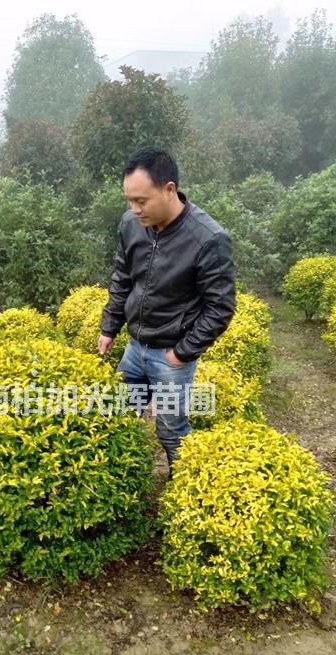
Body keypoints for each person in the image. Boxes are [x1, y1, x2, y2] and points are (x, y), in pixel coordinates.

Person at [97, 146, 236, 475]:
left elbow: (221, 307)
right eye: (129, 200)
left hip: (171, 356)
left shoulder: (208, 239)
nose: (134, 209)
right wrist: (109, 327)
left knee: (172, 431)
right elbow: (122, 277)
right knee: (118, 414)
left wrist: (182, 353)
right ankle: (124, 483)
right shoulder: (131, 224)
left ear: (169, 189)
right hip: (135, 347)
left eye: (141, 201)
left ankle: (181, 494)